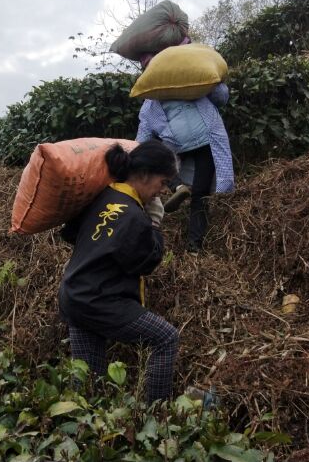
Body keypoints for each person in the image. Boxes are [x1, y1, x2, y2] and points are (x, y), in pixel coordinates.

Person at [59, 140, 179, 404]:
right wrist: (155, 223)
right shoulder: (135, 217)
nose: (161, 191)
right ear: (145, 174)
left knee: (89, 383)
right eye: (162, 182)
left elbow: (69, 233)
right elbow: (146, 261)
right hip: (100, 301)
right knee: (165, 339)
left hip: (75, 295)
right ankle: (155, 413)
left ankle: (80, 430)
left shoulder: (102, 195)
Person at [136, 83, 234, 253]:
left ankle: (177, 186)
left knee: (161, 165)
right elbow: (221, 97)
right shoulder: (194, 83)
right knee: (200, 194)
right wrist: (217, 82)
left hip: (176, 140)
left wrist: (134, 157)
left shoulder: (150, 102)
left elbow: (143, 137)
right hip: (207, 137)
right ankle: (194, 247)